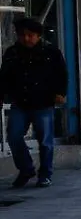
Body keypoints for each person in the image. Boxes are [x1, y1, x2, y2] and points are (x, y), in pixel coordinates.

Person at [1, 18, 67, 188]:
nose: (26, 39)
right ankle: (26, 169)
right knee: (14, 137)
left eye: (30, 35)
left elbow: (61, 74)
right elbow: (4, 77)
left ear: (38, 36)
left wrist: (60, 93)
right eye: (22, 35)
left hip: (43, 102)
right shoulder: (12, 53)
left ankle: (45, 174)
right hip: (20, 103)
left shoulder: (51, 52)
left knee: (45, 141)